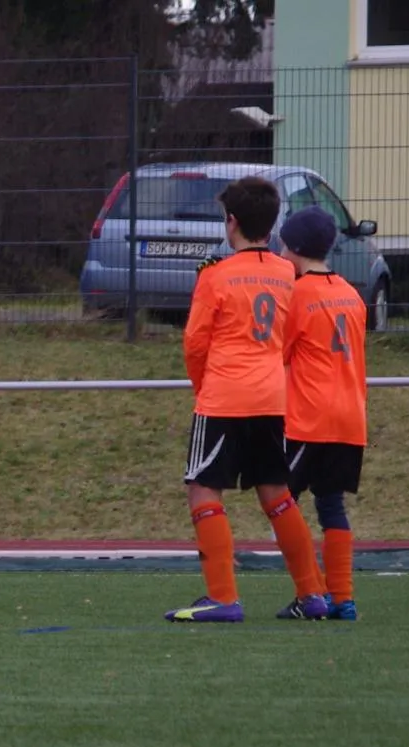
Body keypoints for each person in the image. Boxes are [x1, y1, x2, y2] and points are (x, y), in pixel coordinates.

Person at [168, 176, 328, 624]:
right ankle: (312, 594)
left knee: (203, 488)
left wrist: (202, 388)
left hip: (224, 396)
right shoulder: (287, 273)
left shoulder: (215, 275)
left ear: (231, 222)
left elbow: (195, 343)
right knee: (276, 492)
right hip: (271, 396)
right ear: (272, 226)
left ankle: (222, 597)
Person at [277, 207, 365, 621]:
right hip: (350, 417)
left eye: (283, 245)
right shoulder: (351, 294)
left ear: (294, 248)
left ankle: (311, 591)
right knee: (331, 505)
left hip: (309, 417)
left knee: (280, 501)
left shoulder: (297, 295)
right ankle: (342, 598)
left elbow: (279, 352)